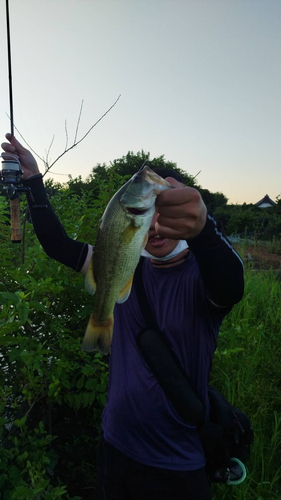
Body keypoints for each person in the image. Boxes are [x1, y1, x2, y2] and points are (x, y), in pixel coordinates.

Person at [1, 133, 244, 500]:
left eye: (168, 212)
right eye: (152, 214)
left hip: (179, 466)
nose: (157, 225)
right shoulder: (122, 260)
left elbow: (231, 284)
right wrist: (34, 180)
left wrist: (204, 232)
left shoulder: (203, 275)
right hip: (115, 447)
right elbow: (57, 244)